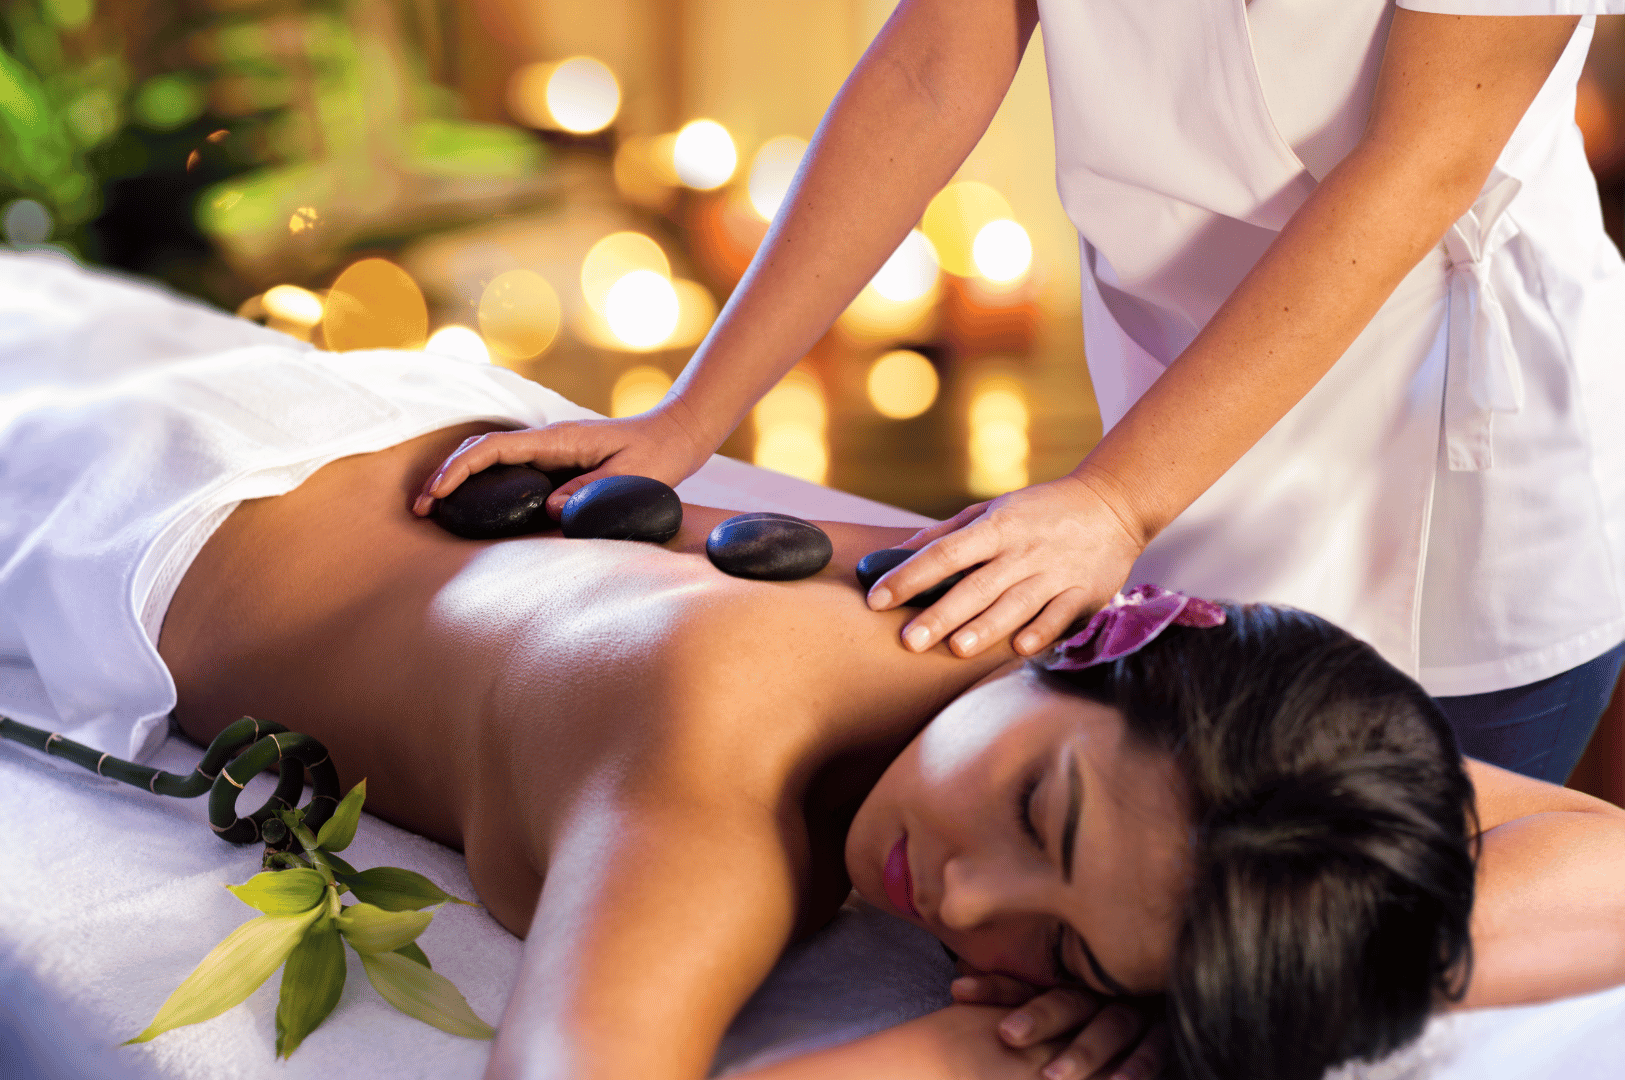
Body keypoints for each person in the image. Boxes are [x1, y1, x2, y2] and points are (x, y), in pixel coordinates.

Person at [3, 258, 1624, 1080]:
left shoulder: (1087, 688)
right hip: (133, 500)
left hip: (401, 454)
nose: (974, 911)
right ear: (1105, 644)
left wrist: (1244, 993)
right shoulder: (715, 768)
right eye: (1037, 822)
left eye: (1068, 953)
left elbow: (1601, 861)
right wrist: (966, 1053)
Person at [418, 3, 1625, 787]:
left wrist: (1111, 500)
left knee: (1372, 977)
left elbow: (1413, 164)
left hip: (1441, 443)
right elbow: (936, 66)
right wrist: (687, 418)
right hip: (1174, 399)